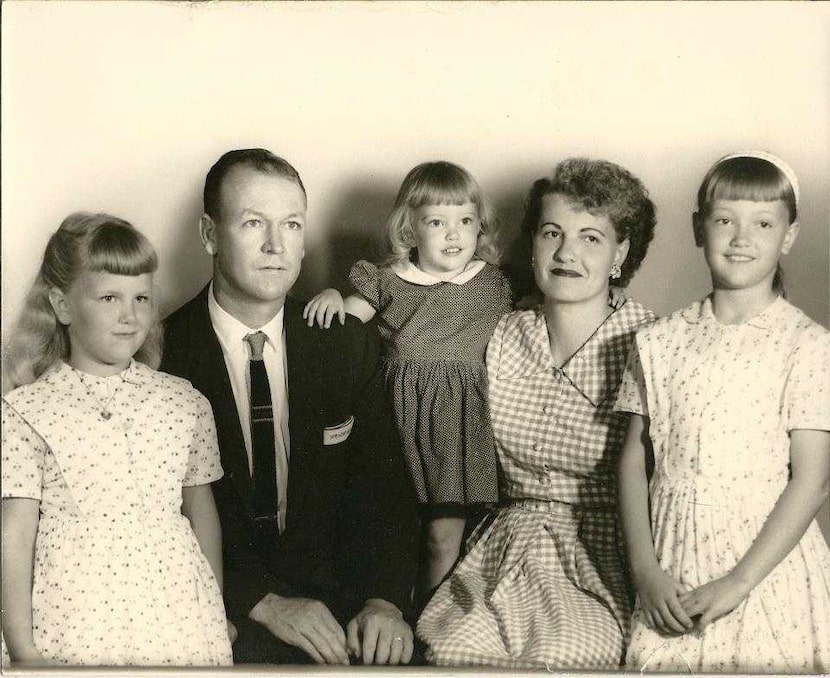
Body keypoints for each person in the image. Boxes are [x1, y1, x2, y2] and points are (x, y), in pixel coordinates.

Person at [159, 148, 419, 666]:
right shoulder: (160, 353)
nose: (276, 245)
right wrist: (260, 601)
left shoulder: (344, 342)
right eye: (253, 223)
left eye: (292, 224)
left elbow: (386, 488)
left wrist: (383, 601)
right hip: (221, 613)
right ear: (210, 234)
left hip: (342, 612)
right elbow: (148, 520)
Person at [417, 158, 656, 668]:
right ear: (533, 244)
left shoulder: (654, 344)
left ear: (622, 253)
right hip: (499, 552)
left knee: (559, 657)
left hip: (600, 561)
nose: (567, 252)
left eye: (591, 238)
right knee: (450, 650)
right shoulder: (502, 331)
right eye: (553, 233)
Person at [615, 152, 830, 673]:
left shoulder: (807, 346)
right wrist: (646, 572)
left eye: (762, 223)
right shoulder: (658, 341)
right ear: (698, 228)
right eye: (724, 220)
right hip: (672, 569)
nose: (741, 238)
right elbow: (631, 464)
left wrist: (738, 583)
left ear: (789, 235)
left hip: (763, 571)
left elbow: (812, 481)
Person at [1, 213, 233, 667]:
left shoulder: (183, 402)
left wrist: (215, 609)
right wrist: (23, 649)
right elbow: (15, 532)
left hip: (177, 619)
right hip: (75, 620)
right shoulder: (26, 411)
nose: (130, 316)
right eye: (109, 297)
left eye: (142, 297)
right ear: (62, 305)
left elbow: (202, 514)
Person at [303, 161, 514, 608]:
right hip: (397, 422)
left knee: (444, 536)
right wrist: (332, 298)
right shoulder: (390, 280)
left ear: (480, 228)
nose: (453, 235)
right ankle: (394, 610)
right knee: (399, 531)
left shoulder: (493, 285)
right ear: (409, 229)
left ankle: (428, 622)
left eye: (465, 222)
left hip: (459, 428)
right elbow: (346, 323)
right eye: (437, 222)